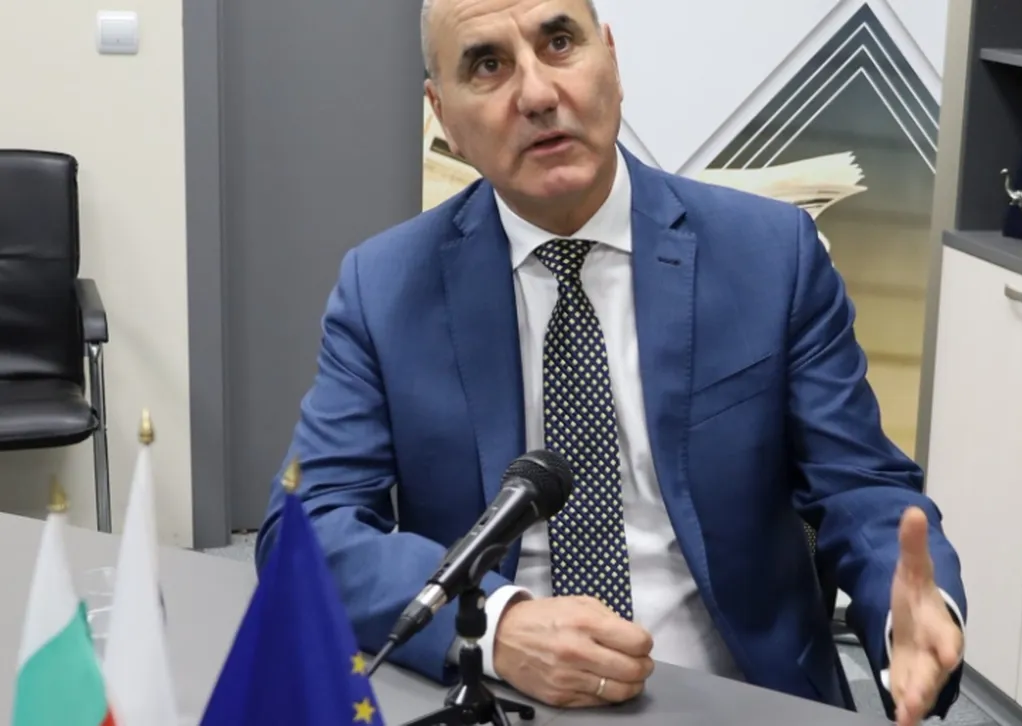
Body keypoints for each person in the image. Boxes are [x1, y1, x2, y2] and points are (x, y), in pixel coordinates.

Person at [255, 0, 968, 723]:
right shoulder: (384, 289)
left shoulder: (770, 255)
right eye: (488, 64)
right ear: (443, 115)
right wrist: (497, 627)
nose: (537, 94)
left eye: (559, 42)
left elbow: (859, 486)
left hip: (733, 695)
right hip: (503, 695)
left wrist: (907, 610)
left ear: (613, 62)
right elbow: (307, 529)